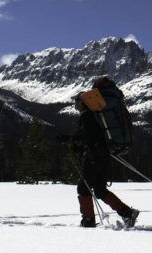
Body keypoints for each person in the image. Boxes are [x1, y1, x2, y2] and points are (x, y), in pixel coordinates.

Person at [59, 76, 139, 229]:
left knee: (84, 188)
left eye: (77, 103)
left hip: (94, 156)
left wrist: (67, 138)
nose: (77, 107)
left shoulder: (88, 116)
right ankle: (127, 213)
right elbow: (94, 137)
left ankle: (88, 220)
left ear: (82, 103)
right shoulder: (97, 115)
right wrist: (77, 145)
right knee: (100, 190)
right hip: (104, 154)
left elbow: (87, 136)